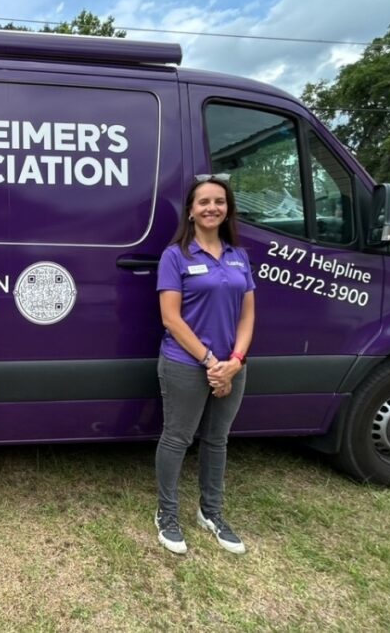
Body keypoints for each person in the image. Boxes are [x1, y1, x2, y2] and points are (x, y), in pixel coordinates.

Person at [153, 175, 255, 555]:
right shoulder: (176, 255)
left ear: (228, 209)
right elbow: (171, 318)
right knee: (177, 438)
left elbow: (247, 316)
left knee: (217, 440)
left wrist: (235, 362)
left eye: (219, 201)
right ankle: (167, 513)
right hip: (186, 363)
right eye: (203, 202)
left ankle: (210, 513)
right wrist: (212, 361)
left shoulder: (238, 256)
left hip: (231, 364)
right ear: (191, 212)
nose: (212, 207)